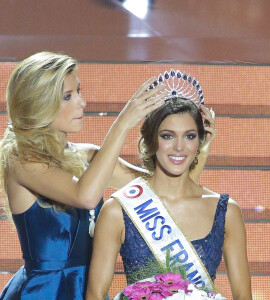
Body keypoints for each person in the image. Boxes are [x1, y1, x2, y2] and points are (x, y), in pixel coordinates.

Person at [0, 55, 215, 300]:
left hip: (88, 289)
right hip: (42, 293)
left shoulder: (87, 157)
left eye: (79, 91)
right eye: (68, 96)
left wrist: (198, 149)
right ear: (40, 104)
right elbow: (86, 196)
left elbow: (166, 194)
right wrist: (122, 124)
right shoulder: (21, 162)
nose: (82, 102)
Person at [86, 70, 252, 300]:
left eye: (190, 136)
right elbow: (94, 294)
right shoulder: (118, 211)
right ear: (151, 140)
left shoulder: (226, 211)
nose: (179, 147)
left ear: (200, 141)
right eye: (167, 136)